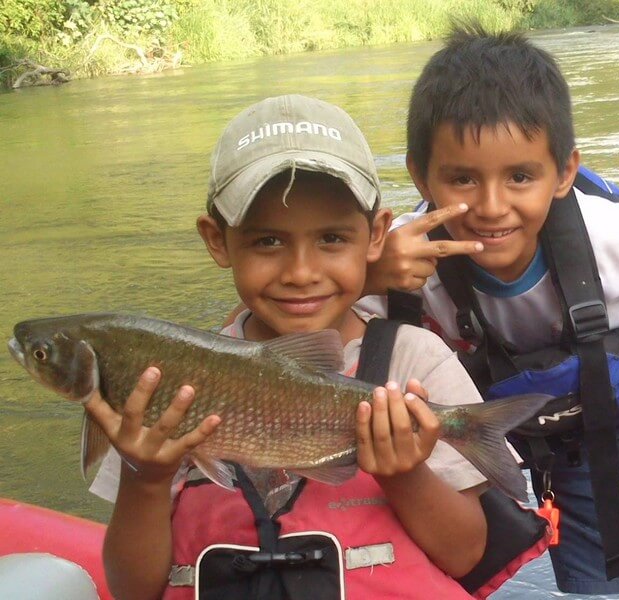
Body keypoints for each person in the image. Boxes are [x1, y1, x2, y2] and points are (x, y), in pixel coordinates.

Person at [83, 94, 548, 600]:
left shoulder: (418, 359)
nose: (301, 273)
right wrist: (146, 480)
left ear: (375, 236)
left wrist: (406, 475)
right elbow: (132, 589)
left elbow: (464, 555)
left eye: (330, 239)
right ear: (217, 240)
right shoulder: (164, 386)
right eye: (267, 242)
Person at [359, 24, 619, 599]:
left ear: (562, 173)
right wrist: (368, 273)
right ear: (420, 177)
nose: (490, 207)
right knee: (443, 566)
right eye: (462, 179)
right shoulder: (403, 261)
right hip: (484, 415)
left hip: (614, 416)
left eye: (520, 177)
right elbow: (295, 314)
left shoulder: (612, 236)